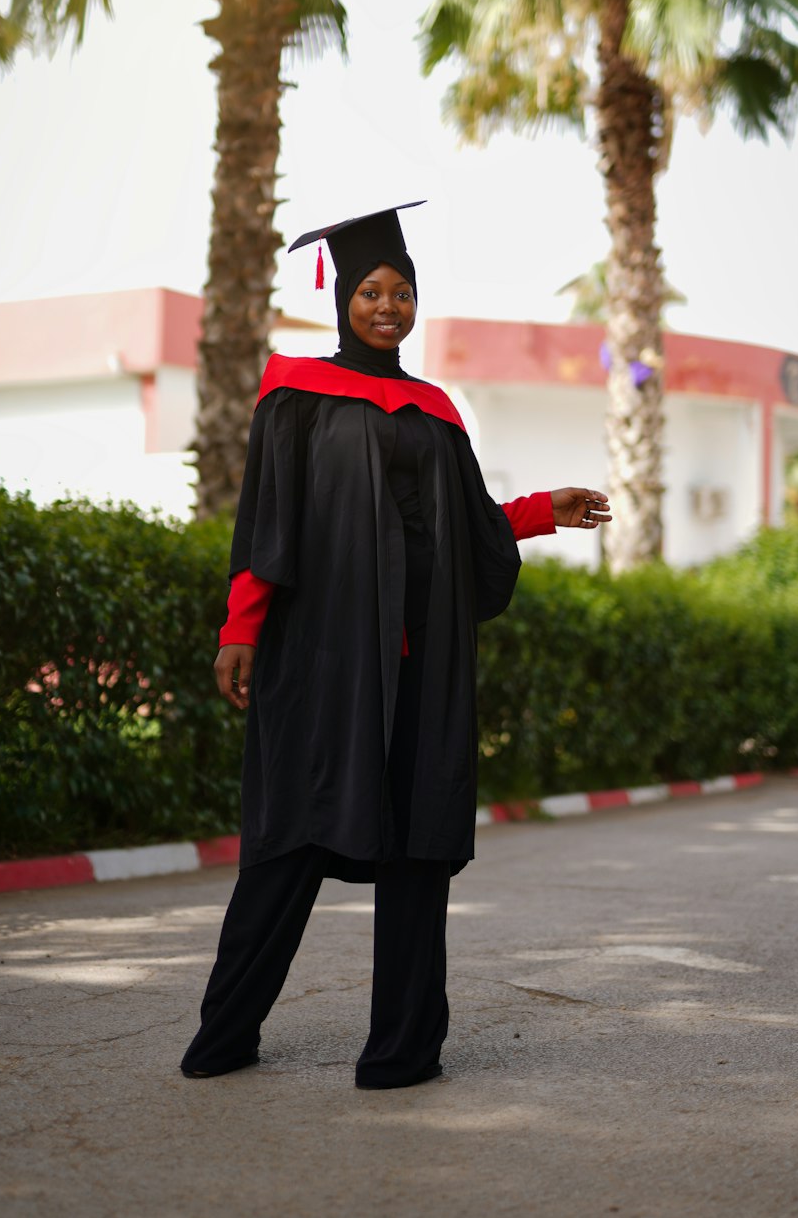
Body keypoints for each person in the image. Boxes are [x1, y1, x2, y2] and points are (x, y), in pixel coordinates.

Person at [181, 201, 610, 1090]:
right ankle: (224, 1034)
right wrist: (240, 630)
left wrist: (541, 512)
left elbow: (465, 528)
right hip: (324, 662)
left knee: (418, 842)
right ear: (342, 297)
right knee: (290, 836)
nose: (387, 306)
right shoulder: (294, 394)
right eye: (371, 291)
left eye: (402, 292)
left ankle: (404, 1050)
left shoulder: (436, 409)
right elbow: (270, 528)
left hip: (421, 663)